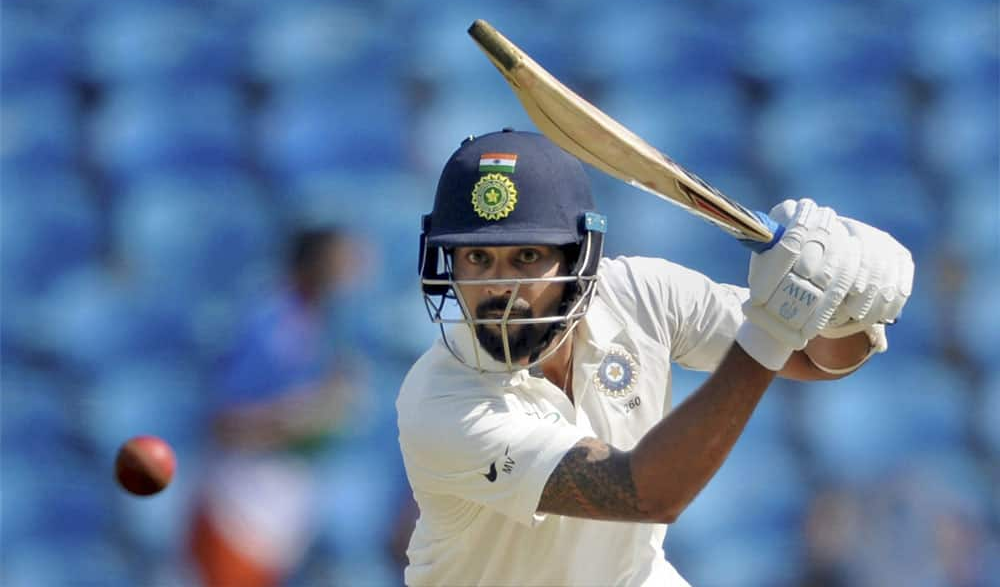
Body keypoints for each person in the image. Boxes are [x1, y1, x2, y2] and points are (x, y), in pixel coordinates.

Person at [396, 129, 913, 586]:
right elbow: (645, 492)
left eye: (526, 257)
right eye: (476, 258)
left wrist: (849, 308)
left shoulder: (640, 295)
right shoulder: (441, 401)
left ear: (581, 257)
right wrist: (776, 325)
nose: (499, 288)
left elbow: (816, 360)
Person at [187, 226, 363, 587]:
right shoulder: (269, 328)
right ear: (314, 263)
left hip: (283, 511)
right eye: (341, 261)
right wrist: (302, 418)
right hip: (240, 508)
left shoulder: (329, 324)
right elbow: (225, 425)